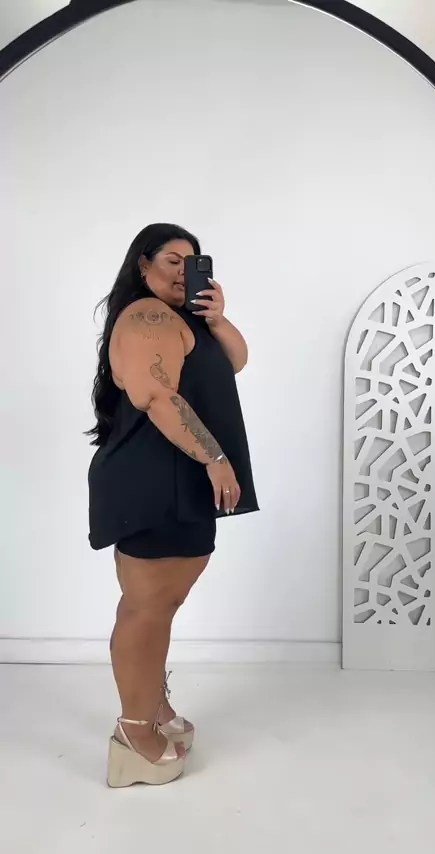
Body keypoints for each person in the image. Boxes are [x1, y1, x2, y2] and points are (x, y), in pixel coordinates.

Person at [87, 223, 258, 788]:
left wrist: (217, 317)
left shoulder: (187, 319)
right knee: (146, 607)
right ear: (143, 265)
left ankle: (154, 709)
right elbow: (155, 395)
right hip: (155, 479)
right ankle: (134, 735)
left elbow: (236, 361)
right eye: (171, 260)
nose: (184, 271)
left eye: (193, 261)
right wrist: (215, 457)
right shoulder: (147, 317)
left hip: (180, 477)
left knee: (163, 602)